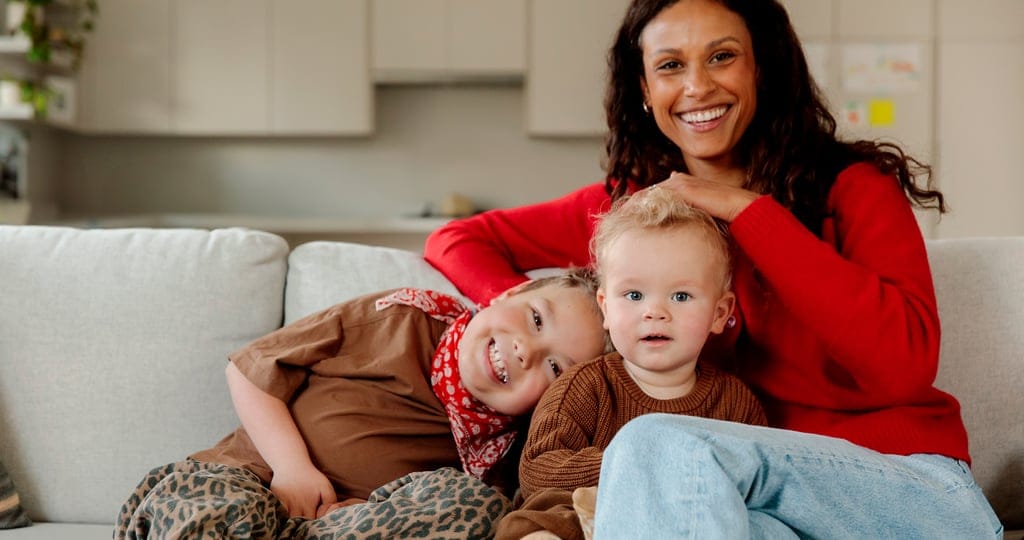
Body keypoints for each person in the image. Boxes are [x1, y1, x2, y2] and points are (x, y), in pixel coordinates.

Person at [423, 0, 1004, 537]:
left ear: (762, 71)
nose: (697, 86)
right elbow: (460, 238)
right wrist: (540, 317)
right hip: (742, 508)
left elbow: (902, 368)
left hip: (907, 494)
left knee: (651, 443)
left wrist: (751, 214)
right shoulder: (638, 217)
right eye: (671, 65)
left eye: (722, 57)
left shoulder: (853, 191)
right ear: (645, 90)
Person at [114, 270, 610, 539]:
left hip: (339, 523)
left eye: (555, 368)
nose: (527, 350)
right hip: (248, 477)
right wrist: (293, 470)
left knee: (477, 508)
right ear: (511, 292)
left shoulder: (509, 449)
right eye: (536, 320)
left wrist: (363, 514)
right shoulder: (402, 318)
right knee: (203, 511)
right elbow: (250, 369)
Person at [496, 187, 766, 540]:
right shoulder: (583, 386)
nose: (654, 312)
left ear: (719, 314)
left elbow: (760, 482)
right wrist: (641, 467)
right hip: (578, 522)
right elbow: (537, 472)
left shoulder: (733, 402)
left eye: (681, 296)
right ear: (606, 308)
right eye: (634, 295)